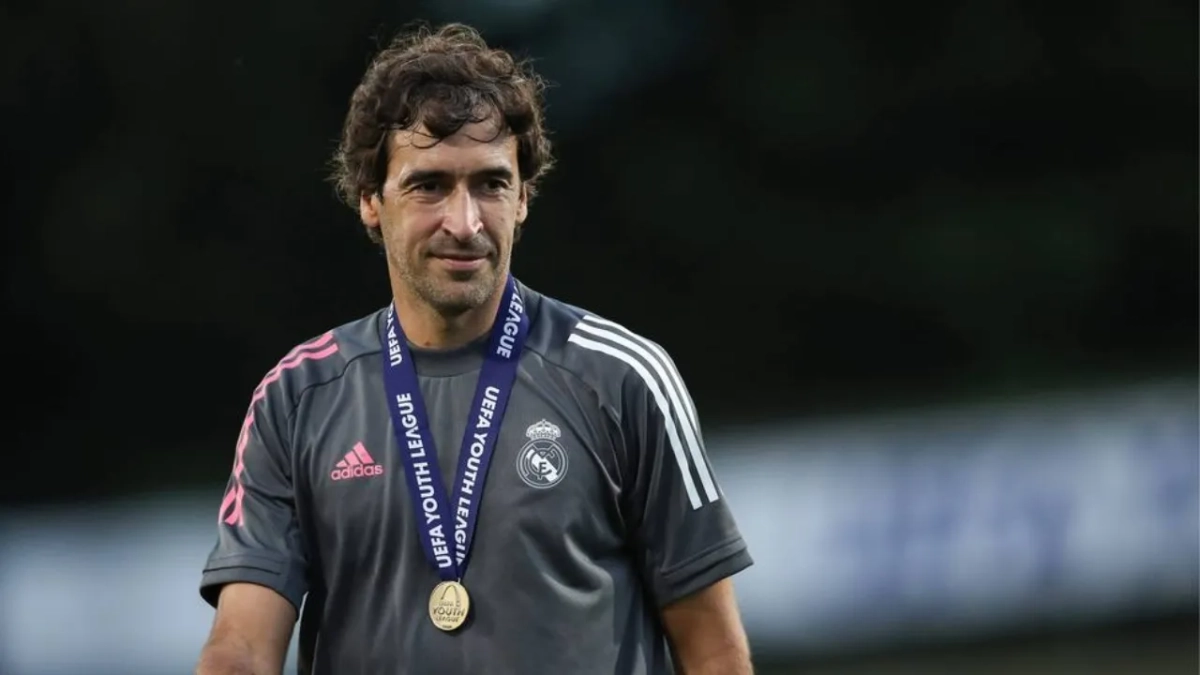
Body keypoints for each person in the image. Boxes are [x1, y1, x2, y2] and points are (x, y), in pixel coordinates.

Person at [195, 22, 754, 675]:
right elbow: (241, 647)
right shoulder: (297, 398)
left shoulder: (623, 377)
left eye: (490, 184)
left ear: (523, 199)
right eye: (429, 185)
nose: (464, 224)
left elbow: (715, 651)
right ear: (371, 200)